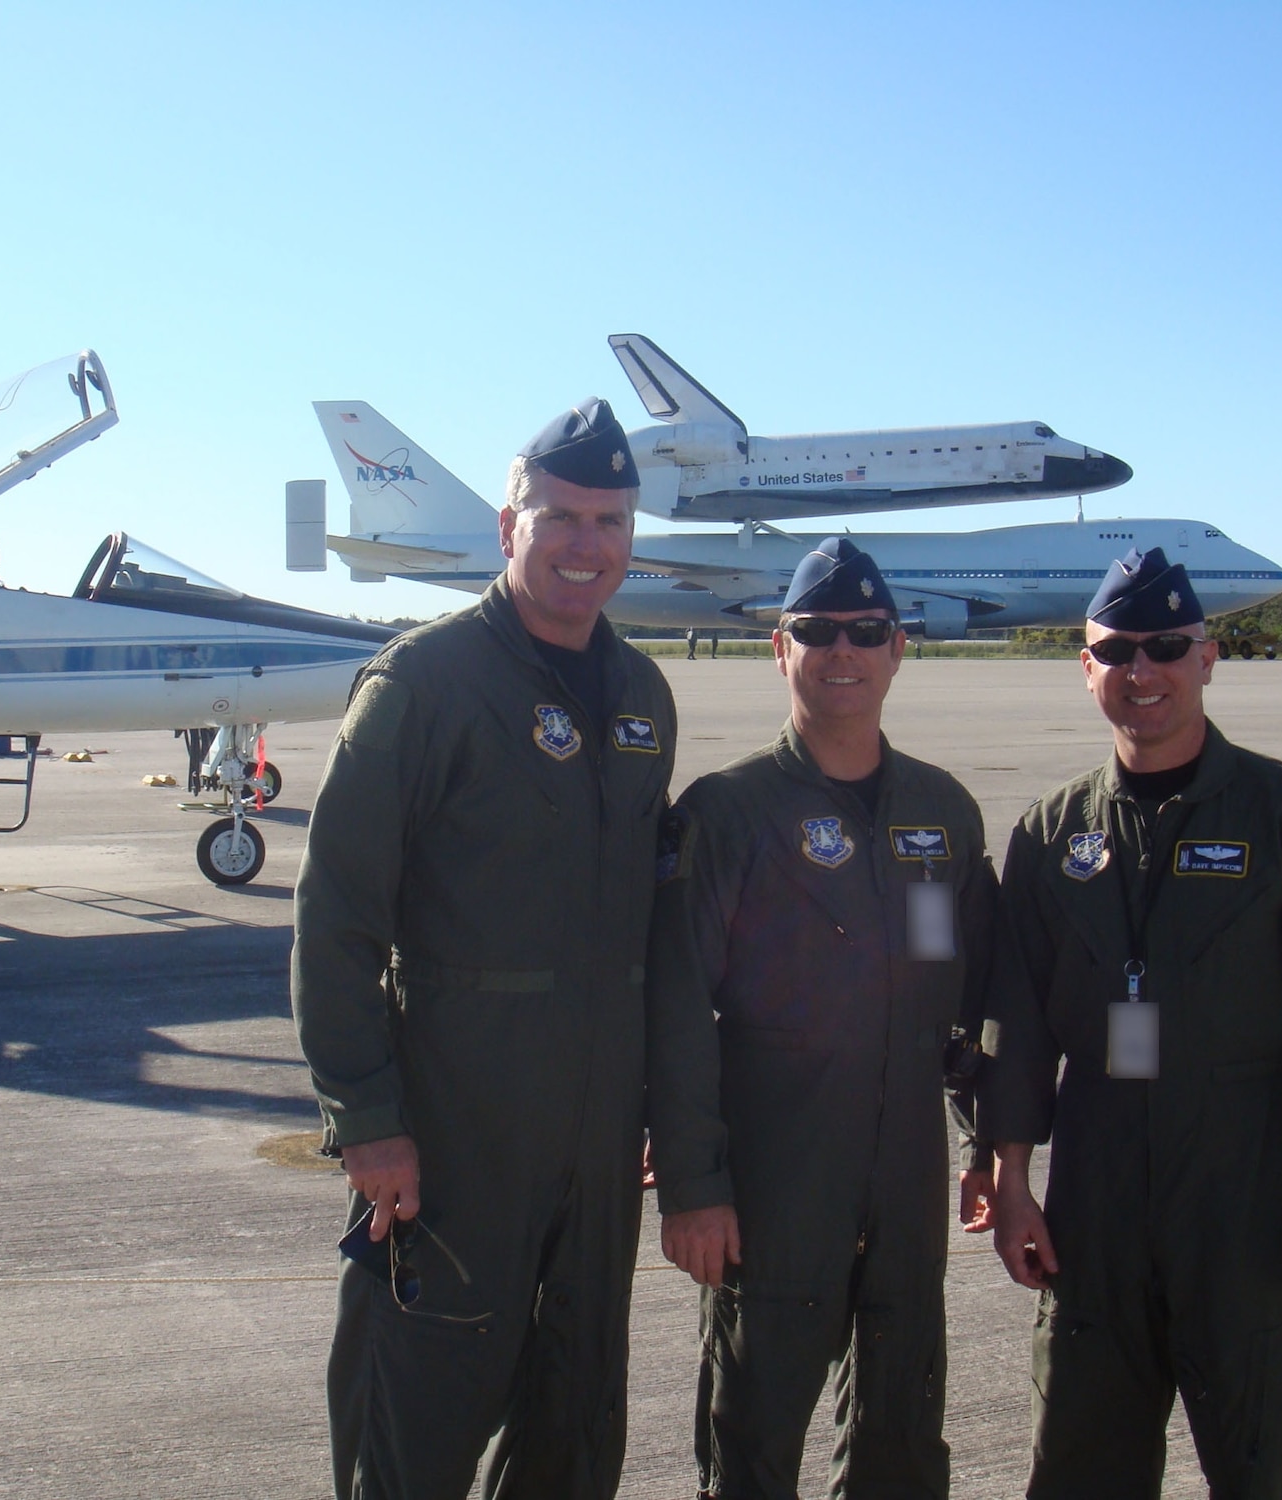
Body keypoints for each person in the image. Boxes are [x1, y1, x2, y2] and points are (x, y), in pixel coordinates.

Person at [291, 398, 677, 1500]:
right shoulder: (424, 685)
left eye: (609, 521)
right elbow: (337, 919)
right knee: (418, 1424)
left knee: (574, 1423)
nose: (585, 545)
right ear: (509, 523)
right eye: (560, 516)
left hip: (598, 1151)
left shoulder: (642, 696)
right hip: (457, 1138)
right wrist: (366, 1125)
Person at [983, 546, 1282, 1498]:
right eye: (1121, 651)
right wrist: (1011, 1180)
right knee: (1078, 1468)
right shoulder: (1052, 833)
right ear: (1087, 664)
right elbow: (1015, 1022)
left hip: (1248, 1199)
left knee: (1263, 1471)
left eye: (1168, 648)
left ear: (1209, 658)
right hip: (1093, 1203)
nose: (1144, 672)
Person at [646, 537, 1001, 1499]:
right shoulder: (727, 814)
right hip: (773, 1182)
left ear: (898, 650)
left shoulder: (939, 813)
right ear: (780, 648)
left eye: (866, 631)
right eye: (816, 631)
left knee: (903, 1439)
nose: (841, 650)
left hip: (905, 1179)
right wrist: (692, 1183)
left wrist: (987, 1144)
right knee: (754, 1444)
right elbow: (676, 1004)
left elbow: (962, 992)